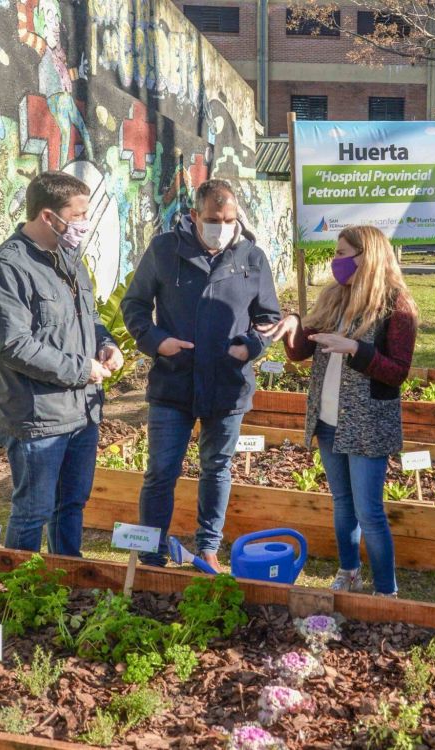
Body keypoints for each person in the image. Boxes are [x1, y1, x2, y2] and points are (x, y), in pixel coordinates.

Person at [121, 179, 281, 570]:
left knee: (217, 468)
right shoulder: (164, 250)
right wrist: (157, 342)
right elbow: (135, 305)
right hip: (173, 382)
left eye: (229, 219)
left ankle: (208, 546)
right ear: (194, 216)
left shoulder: (251, 257)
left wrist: (250, 347)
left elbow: (269, 318)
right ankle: (151, 551)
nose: (222, 226)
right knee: (161, 471)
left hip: (227, 386)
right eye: (213, 219)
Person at [259, 226, 417, 597]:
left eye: (344, 253)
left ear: (368, 256)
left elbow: (398, 372)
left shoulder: (397, 305)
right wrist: (293, 325)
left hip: (366, 425)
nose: (337, 261)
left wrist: (354, 349)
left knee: (370, 513)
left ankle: (386, 591)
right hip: (328, 420)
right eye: (337, 252)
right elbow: (302, 352)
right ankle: (349, 570)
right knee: (343, 504)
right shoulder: (335, 297)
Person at [0, 170, 122, 556]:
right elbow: (13, 345)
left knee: (71, 505)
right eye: (78, 216)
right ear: (47, 216)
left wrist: (105, 344)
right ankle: (19, 592)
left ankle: (66, 578)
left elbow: (87, 318)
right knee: (32, 511)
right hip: (36, 417)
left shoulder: (68, 257)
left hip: (81, 412)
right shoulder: (7, 267)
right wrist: (82, 369)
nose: (84, 224)